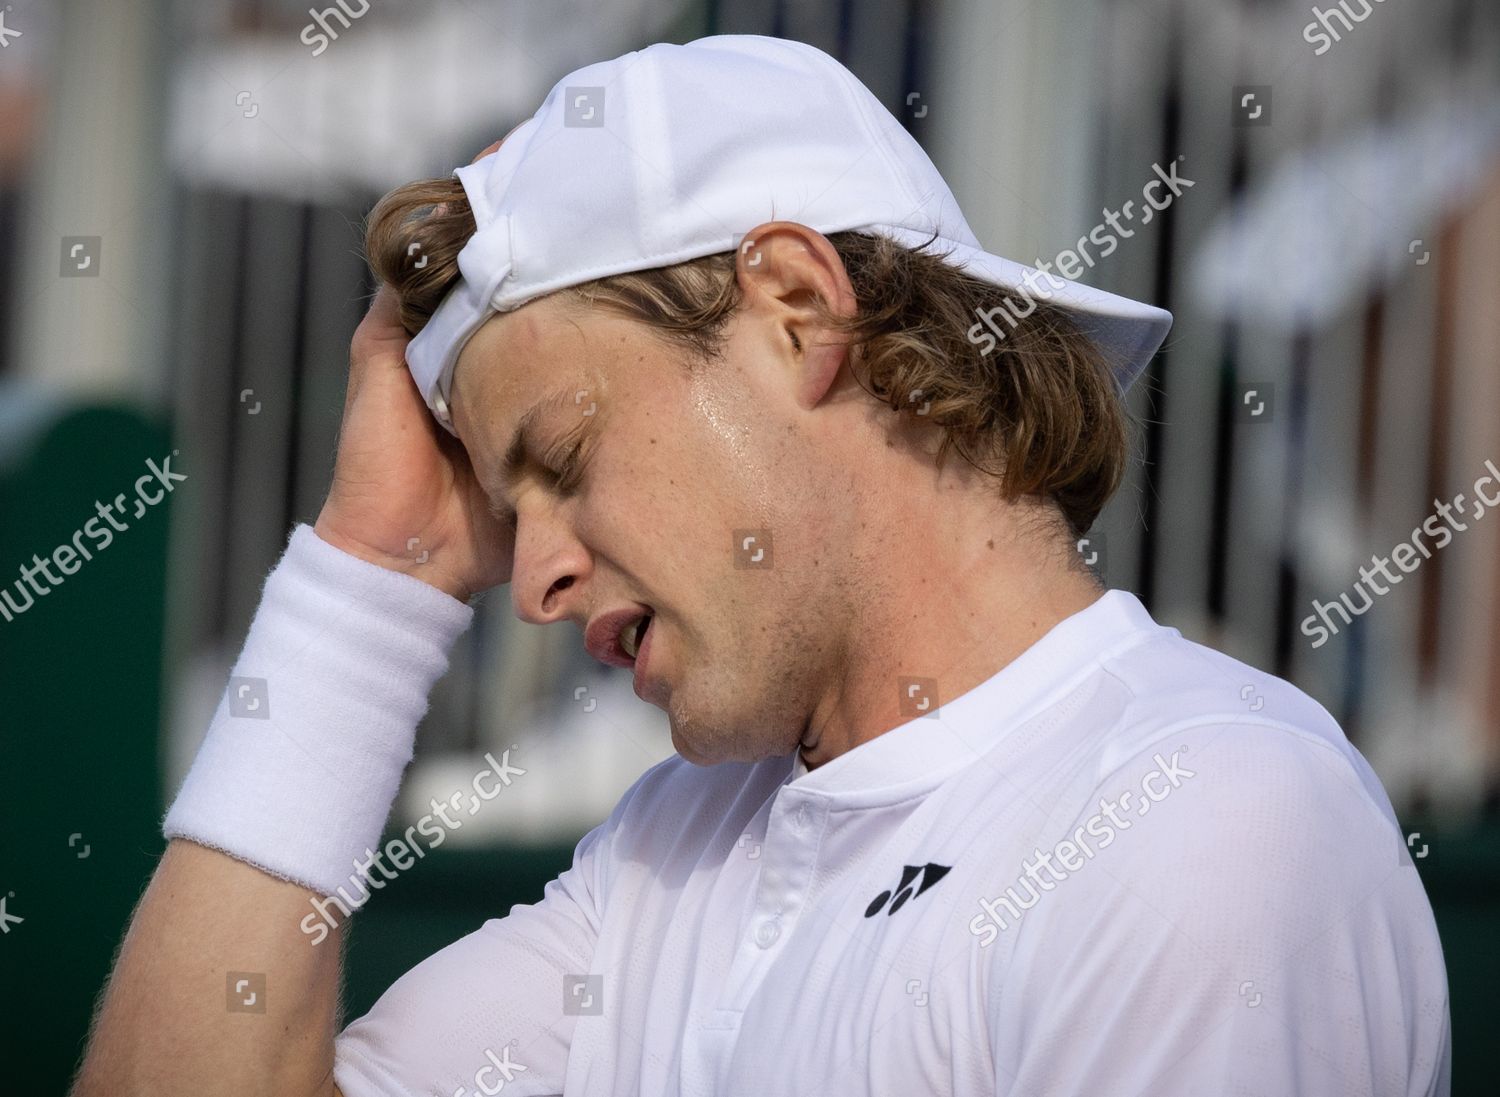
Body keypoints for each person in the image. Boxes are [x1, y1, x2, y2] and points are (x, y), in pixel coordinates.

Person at [71, 34, 1450, 1097]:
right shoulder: (663, 857)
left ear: (797, 311)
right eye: (500, 510)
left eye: (560, 455)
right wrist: (376, 570)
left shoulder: (1207, 815)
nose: (532, 579)